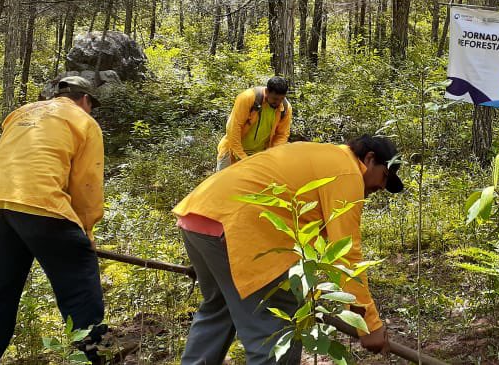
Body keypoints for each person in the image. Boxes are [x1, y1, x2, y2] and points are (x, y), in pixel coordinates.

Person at [173, 135, 403, 364]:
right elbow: (346, 252)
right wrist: (368, 324)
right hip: (233, 230)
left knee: (218, 309)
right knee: (275, 322)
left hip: (197, 218)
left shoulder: (321, 154)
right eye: (384, 176)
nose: (381, 187)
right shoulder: (348, 172)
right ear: (370, 159)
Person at [0, 76, 107, 364]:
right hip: (43, 205)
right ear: (85, 100)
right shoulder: (84, 121)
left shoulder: (20, 113)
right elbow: (86, 184)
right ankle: (96, 358)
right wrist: (86, 230)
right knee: (80, 295)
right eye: (91, 105)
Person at [216, 76, 292, 170]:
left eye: (281, 99)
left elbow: (282, 135)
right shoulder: (248, 98)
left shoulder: (285, 108)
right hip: (232, 150)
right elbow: (233, 128)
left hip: (258, 154)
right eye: (275, 99)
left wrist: (273, 155)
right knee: (225, 182)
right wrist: (242, 157)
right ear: (267, 92)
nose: (278, 102)